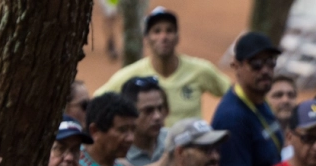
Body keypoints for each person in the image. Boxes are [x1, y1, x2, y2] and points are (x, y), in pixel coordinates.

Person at [97, 6, 230, 125]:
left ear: (177, 37)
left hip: (192, 149)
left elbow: (235, 94)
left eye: (169, 31)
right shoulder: (132, 76)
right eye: (157, 31)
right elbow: (98, 101)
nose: (164, 36)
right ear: (146, 39)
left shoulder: (200, 70)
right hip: (152, 151)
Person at [211, 31, 286, 166]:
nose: (265, 70)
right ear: (236, 66)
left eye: (271, 63)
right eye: (256, 64)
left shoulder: (260, 100)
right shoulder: (233, 118)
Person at [119, 76, 170, 166]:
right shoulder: (118, 150)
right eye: (148, 111)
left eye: (160, 108)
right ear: (129, 114)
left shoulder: (172, 139)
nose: (157, 116)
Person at [267, 74, 299, 154]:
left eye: (291, 95)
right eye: (278, 95)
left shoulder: (304, 137)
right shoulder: (257, 137)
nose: (286, 100)